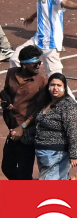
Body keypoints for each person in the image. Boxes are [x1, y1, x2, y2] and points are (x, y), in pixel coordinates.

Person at [2, 45, 47, 180]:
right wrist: (5, 100)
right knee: (7, 168)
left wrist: (22, 127)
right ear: (24, 64)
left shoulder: (42, 81)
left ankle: (26, 196)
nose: (39, 66)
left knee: (24, 171)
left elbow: (39, 109)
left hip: (27, 130)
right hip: (12, 127)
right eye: (36, 64)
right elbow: (5, 91)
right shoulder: (11, 73)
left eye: (39, 63)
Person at [30, 73, 77, 180]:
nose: (55, 88)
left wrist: (74, 154)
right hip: (43, 152)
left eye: (59, 85)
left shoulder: (68, 106)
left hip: (57, 152)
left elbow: (73, 131)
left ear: (64, 88)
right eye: (53, 85)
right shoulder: (46, 102)